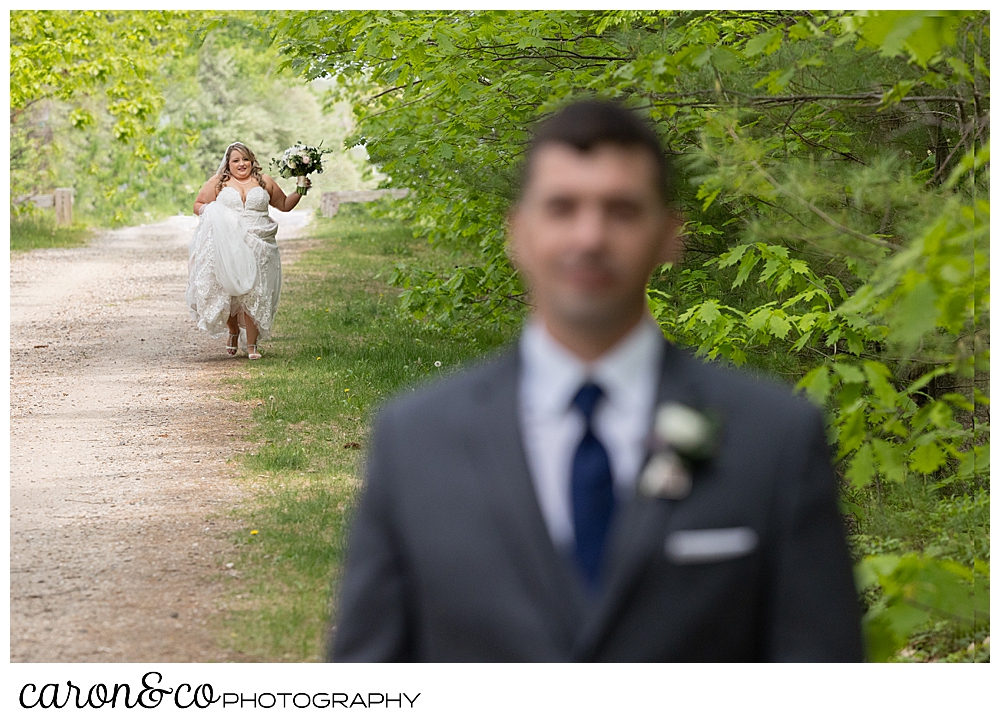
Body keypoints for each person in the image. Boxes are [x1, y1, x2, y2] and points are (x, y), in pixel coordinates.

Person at [330, 101, 864, 662]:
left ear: (669, 235)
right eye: (562, 208)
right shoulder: (416, 438)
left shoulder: (773, 436)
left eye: (622, 210)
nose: (590, 236)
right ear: (519, 232)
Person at [186, 142, 309, 359]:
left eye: (245, 159)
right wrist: (213, 212)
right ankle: (233, 331)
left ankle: (251, 345)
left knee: (255, 291)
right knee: (230, 290)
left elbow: (285, 205)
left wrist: (300, 187)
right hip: (229, 243)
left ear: (252, 161)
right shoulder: (219, 183)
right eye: (236, 160)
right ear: (228, 164)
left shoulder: (265, 182)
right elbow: (198, 204)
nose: (241, 164)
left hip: (260, 243)